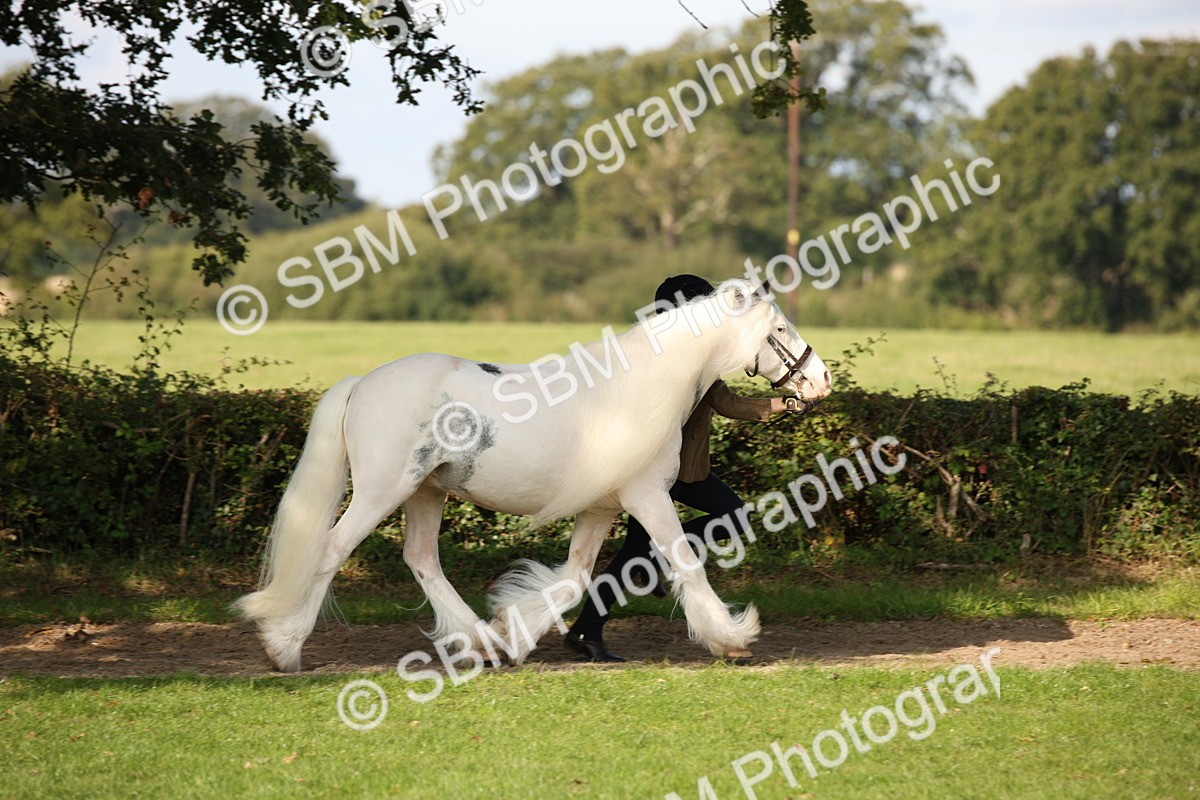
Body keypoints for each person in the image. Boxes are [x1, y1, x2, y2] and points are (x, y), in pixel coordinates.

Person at [564, 274, 800, 662]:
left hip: (678, 472)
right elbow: (730, 404)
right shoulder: (674, 363)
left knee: (639, 553)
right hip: (662, 477)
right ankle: (588, 629)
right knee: (712, 525)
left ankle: (590, 626)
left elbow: (727, 401)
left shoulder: (681, 357)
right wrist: (784, 405)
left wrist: (786, 404)